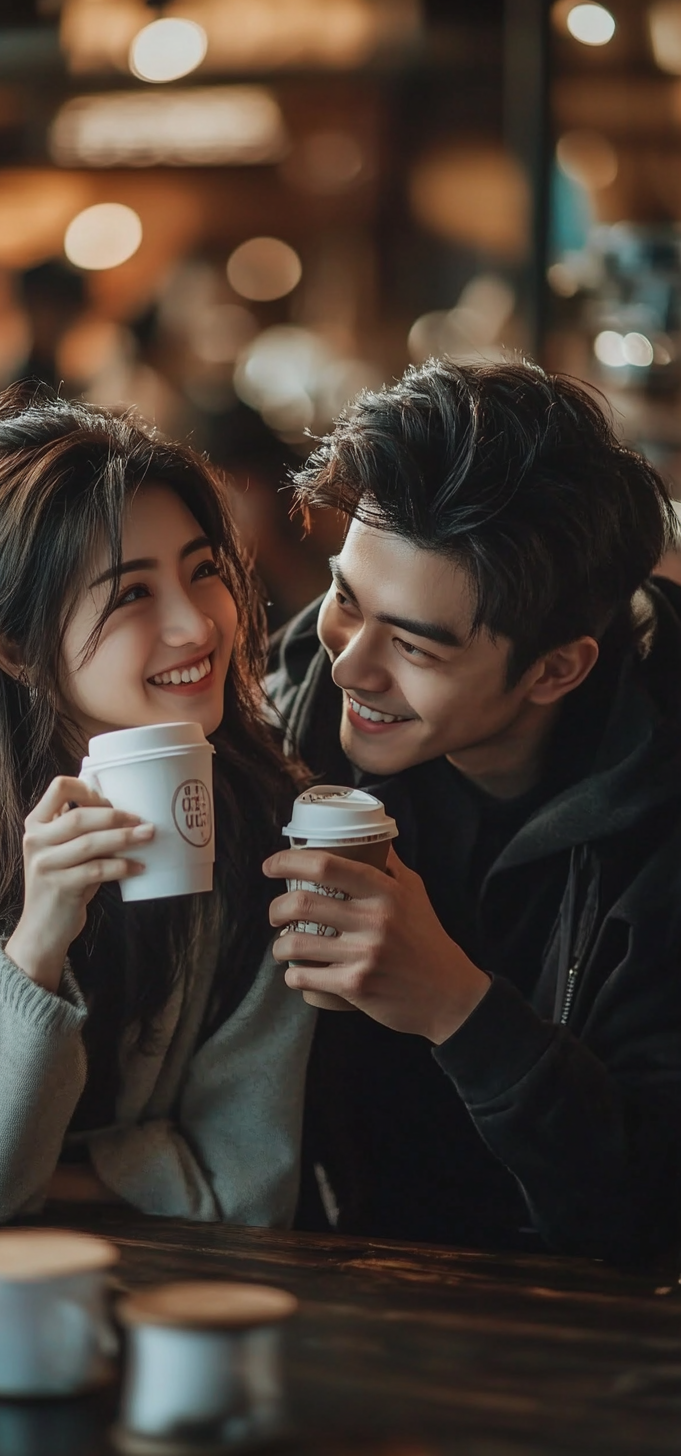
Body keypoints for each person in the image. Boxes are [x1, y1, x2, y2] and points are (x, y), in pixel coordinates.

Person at [0, 384, 314, 1224]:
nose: (197, 624)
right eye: (132, 593)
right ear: (16, 649)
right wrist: (37, 940)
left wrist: (45, 1179)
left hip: (195, 1302)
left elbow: (251, 1183)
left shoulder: (266, 810)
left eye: (203, 570)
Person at [264, 359, 681, 1263]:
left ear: (556, 669)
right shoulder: (276, 725)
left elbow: (652, 1213)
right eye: (345, 599)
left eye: (413, 644)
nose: (349, 666)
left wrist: (456, 1007)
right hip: (331, 1283)